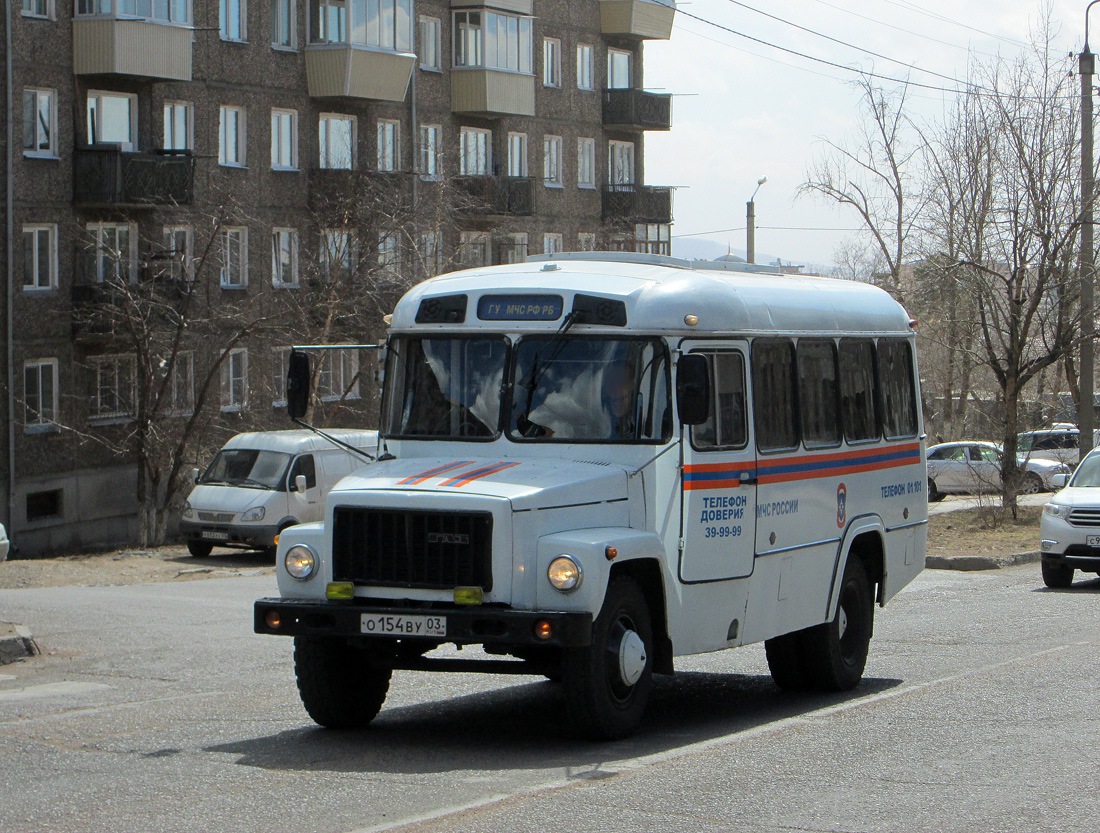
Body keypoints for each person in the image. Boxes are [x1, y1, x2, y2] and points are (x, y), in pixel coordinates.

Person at [602, 359, 637, 439]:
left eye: (620, 382)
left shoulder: (641, 414)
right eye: (612, 383)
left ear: (632, 385)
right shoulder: (596, 413)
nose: (614, 393)